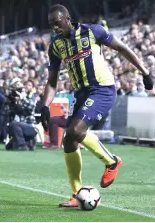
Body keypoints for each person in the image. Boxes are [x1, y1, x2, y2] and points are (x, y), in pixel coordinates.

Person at [40, 4, 154, 208]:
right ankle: (76, 194)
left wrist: (145, 73)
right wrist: (44, 105)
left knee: (75, 130)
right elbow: (52, 81)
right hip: (81, 94)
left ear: (67, 18)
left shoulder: (92, 31)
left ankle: (112, 161)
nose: (55, 29)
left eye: (57, 24)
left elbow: (122, 48)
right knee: (68, 141)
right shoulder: (56, 46)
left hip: (102, 89)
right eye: (51, 26)